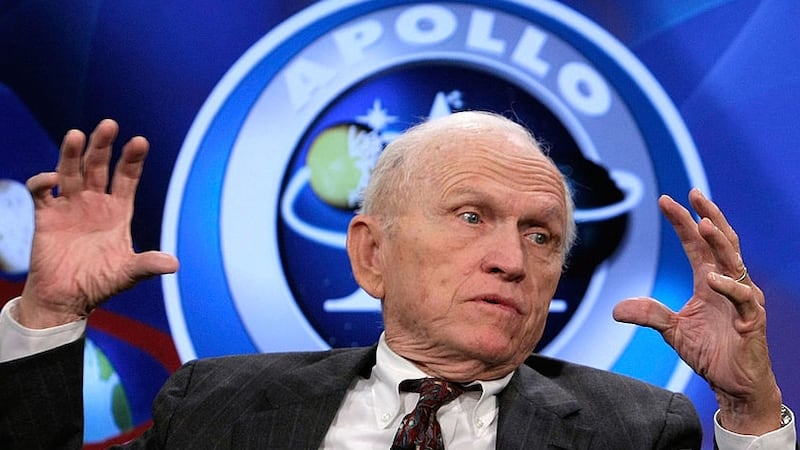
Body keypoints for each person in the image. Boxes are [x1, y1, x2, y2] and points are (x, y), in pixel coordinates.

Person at [0, 112, 795, 449]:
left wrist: (751, 412)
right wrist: (46, 316)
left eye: (541, 235)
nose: (512, 260)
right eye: (472, 217)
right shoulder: (213, 404)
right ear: (370, 255)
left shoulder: (638, 431)